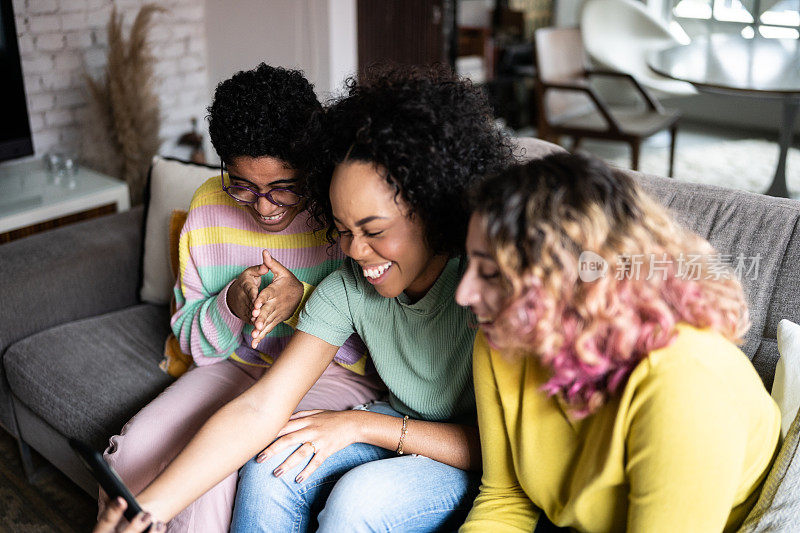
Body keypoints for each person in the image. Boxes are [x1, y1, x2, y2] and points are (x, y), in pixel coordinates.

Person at [106, 65, 511, 532]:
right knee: (272, 461)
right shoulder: (346, 286)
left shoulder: (484, 281)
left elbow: (508, 450)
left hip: (476, 456)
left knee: (357, 500)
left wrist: (360, 426)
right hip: (399, 419)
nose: (355, 252)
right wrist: (145, 511)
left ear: (433, 207)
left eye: (373, 231)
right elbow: (260, 407)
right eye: (342, 231)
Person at [100, 63, 381, 532]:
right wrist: (230, 301)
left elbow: (380, 343)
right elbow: (193, 344)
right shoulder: (209, 207)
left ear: (310, 166)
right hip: (237, 364)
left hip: (332, 371)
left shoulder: (339, 206)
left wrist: (303, 303)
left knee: (212, 476)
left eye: (283, 187)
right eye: (244, 186)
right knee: (131, 452)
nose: (265, 207)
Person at [455, 153, 782, 532]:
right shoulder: (505, 337)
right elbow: (505, 499)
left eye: (492, 273)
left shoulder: (683, 382)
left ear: (574, 283)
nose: (463, 294)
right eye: (471, 265)